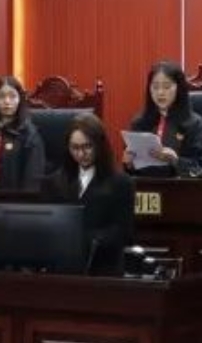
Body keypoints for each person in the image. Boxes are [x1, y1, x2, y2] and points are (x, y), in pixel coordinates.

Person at [42, 113, 135, 275]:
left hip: (104, 269)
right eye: (74, 147)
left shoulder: (121, 183)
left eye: (87, 146)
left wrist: (84, 239)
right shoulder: (54, 182)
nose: (80, 154)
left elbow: (123, 233)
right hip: (63, 267)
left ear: (100, 145)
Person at [123, 62, 202, 178]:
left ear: (179, 89)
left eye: (166, 87)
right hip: (146, 187)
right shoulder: (139, 123)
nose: (160, 92)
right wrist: (129, 164)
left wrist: (176, 160)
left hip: (180, 187)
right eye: (155, 87)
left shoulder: (195, 124)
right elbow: (131, 173)